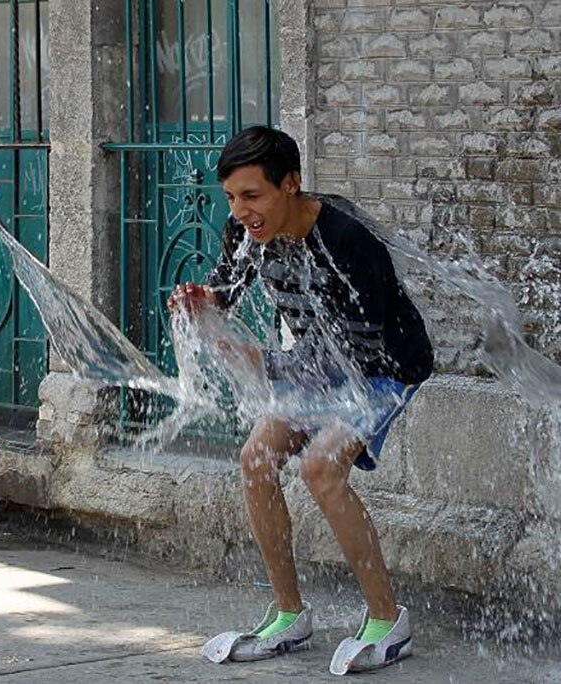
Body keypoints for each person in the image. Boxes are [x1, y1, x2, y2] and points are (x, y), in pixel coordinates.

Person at [169, 126, 433, 675]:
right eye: (231, 198)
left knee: (320, 469)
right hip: (317, 365)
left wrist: (265, 363)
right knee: (255, 459)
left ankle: (388, 621)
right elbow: (228, 284)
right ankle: (290, 615)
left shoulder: (346, 240)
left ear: (290, 184)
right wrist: (203, 300)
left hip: (384, 367)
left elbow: (358, 350)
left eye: (252, 195)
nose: (240, 210)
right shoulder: (248, 230)